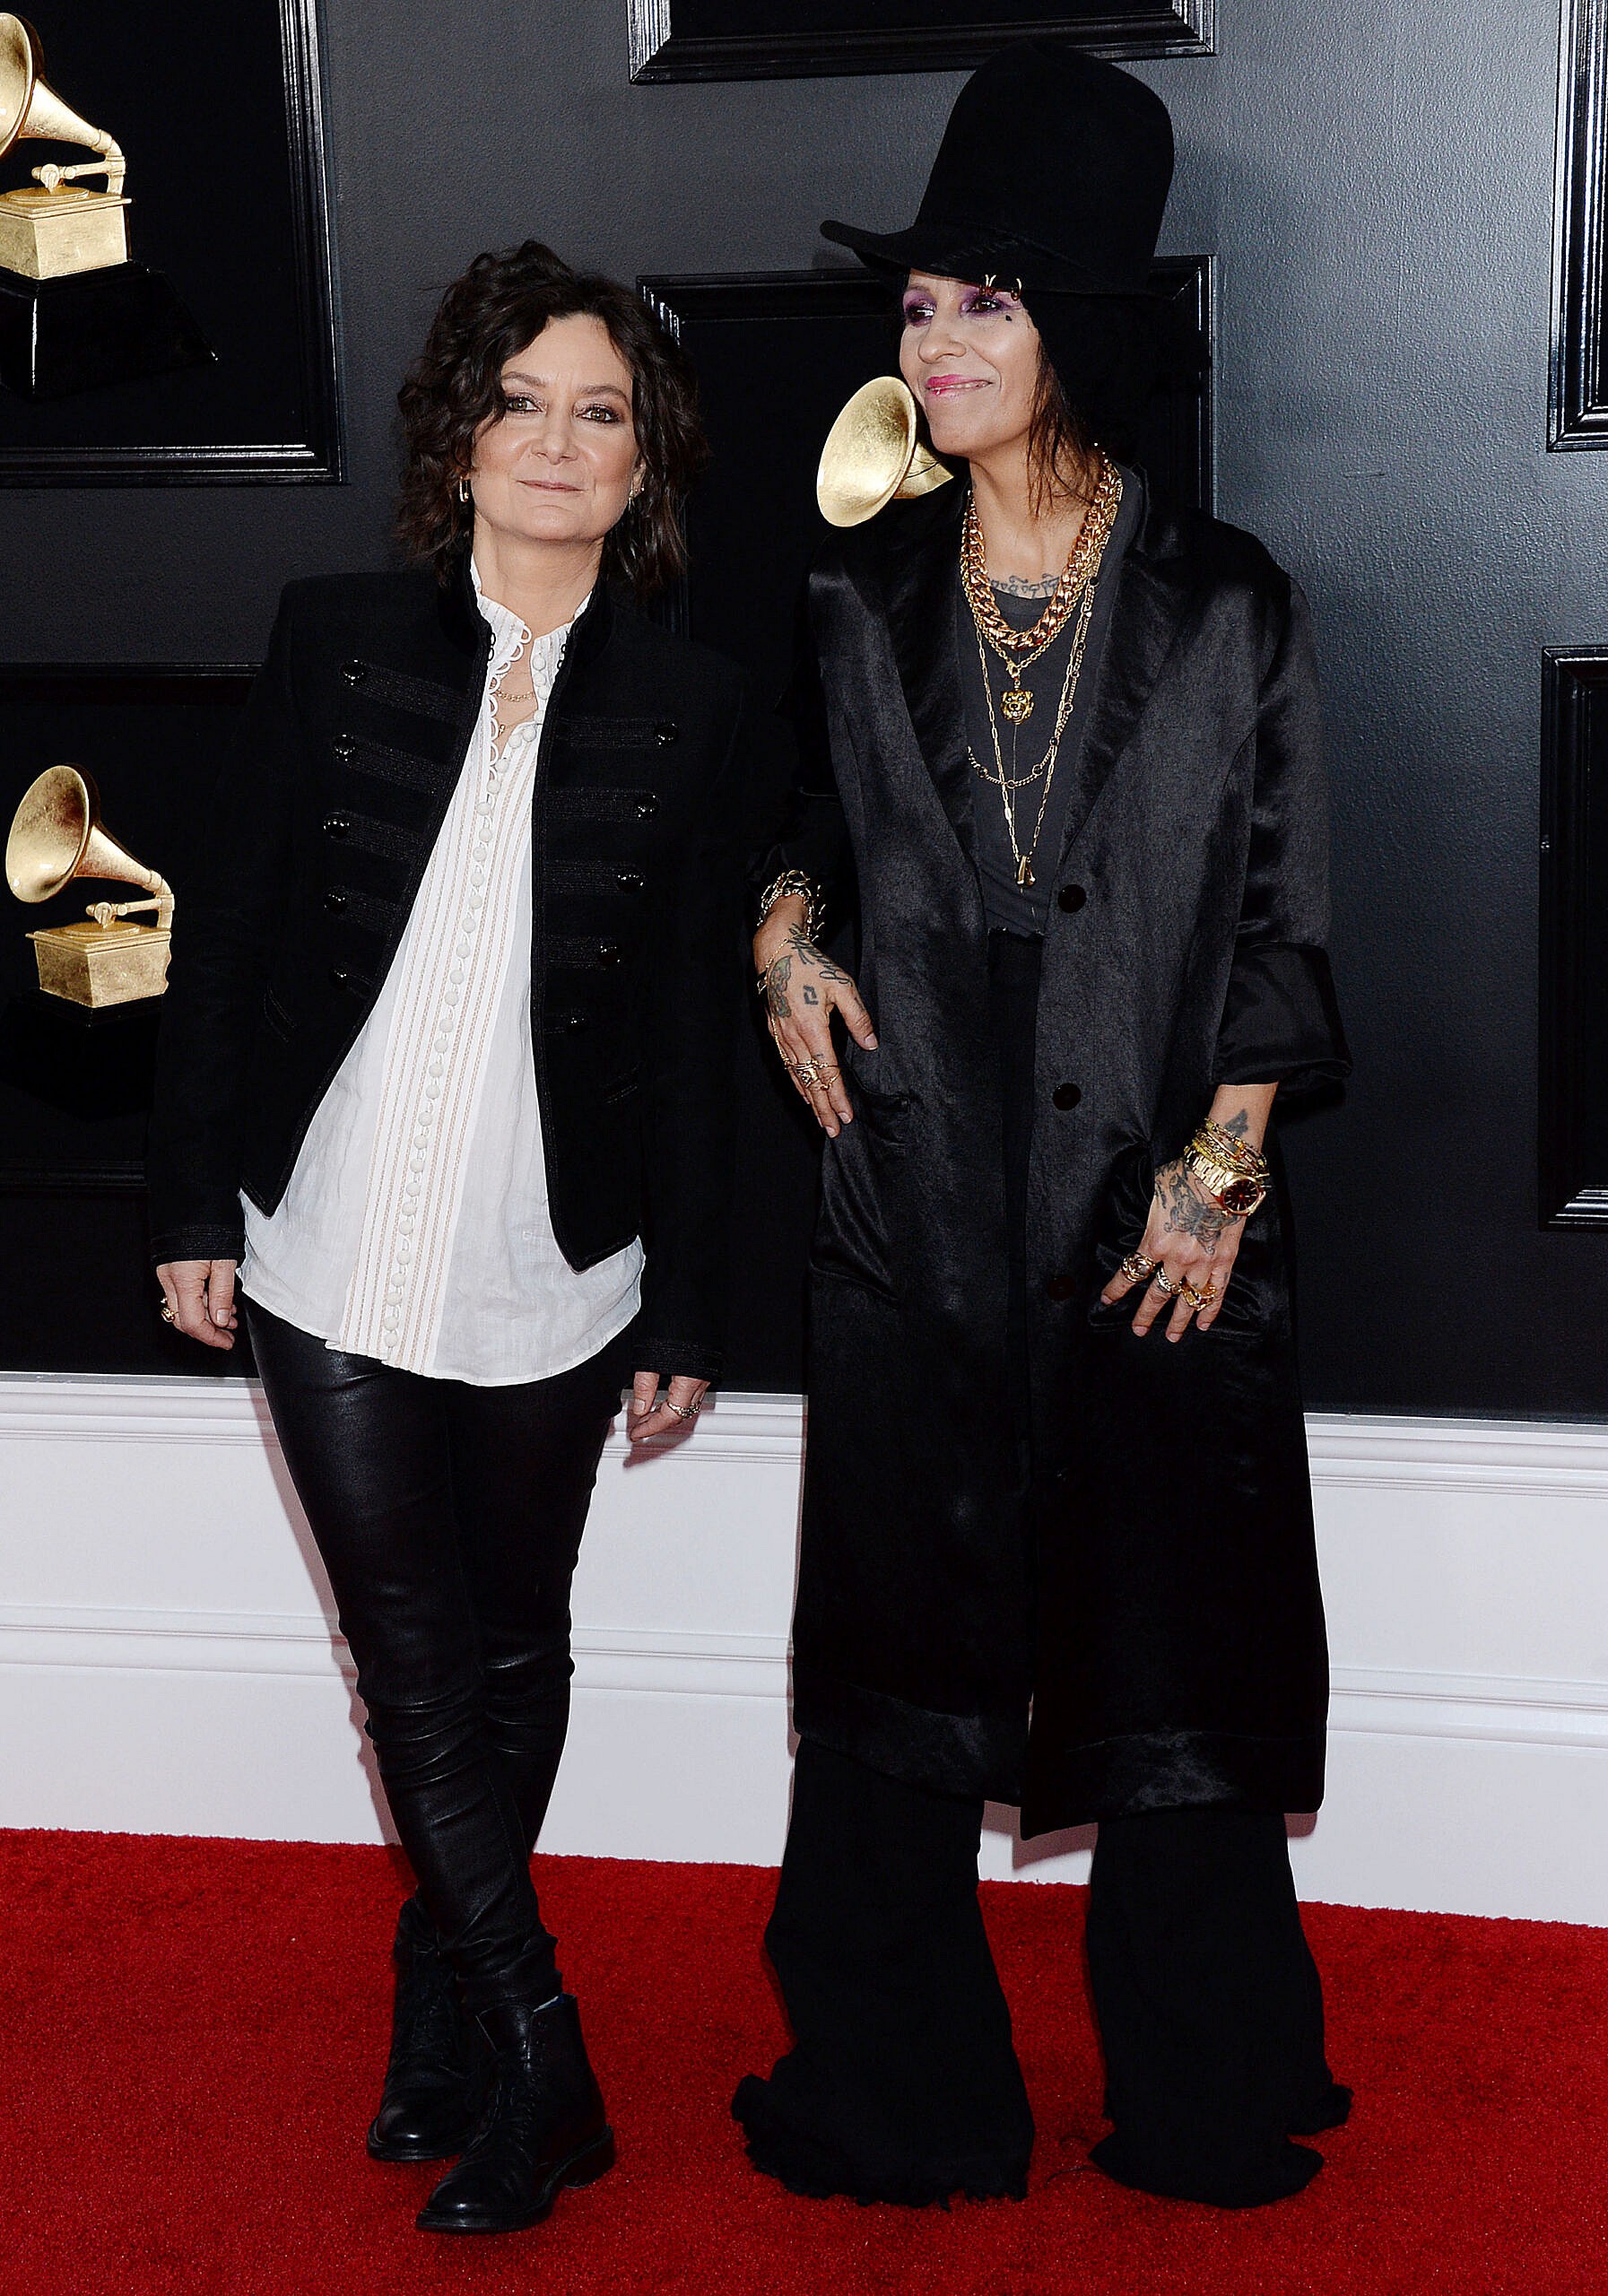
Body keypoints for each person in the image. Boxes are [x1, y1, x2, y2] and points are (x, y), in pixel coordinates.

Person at [734, 47, 1353, 2211]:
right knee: (898, 1649)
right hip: (917, 1163)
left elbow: (1281, 920)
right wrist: (787, 940)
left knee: (1170, 1633)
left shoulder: (1229, 598)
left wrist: (1223, 1166)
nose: (941, 337)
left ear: (1077, 326)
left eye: (990, 298)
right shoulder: (855, 599)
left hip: (1149, 1165)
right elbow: (797, 835)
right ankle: (904, 2095)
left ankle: (1203, 2083)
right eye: (919, 301)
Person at [146, 241, 747, 2237]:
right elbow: (224, 932)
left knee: (510, 1644)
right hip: (325, 1233)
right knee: (410, 1659)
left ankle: (439, 1998)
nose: (559, 442)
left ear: (645, 455)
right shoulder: (335, 635)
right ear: (460, 431)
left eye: (602, 410)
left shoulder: (693, 693)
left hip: (553, 1254)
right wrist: (186, 1196)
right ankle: (544, 2043)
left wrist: (693, 1282)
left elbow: (688, 1019)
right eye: (524, 402)